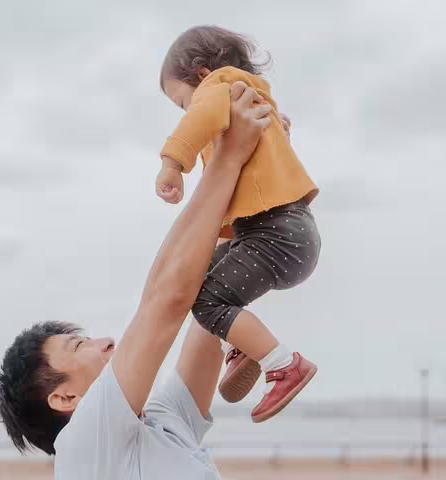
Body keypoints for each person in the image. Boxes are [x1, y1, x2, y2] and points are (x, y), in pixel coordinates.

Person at [0, 82, 281, 479]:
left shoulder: (160, 425)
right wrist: (229, 158)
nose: (106, 341)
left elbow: (207, 300)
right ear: (64, 397)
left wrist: (254, 162)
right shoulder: (83, 448)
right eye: (80, 345)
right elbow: (166, 301)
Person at [155, 25, 321, 422]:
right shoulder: (255, 99)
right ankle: (242, 344)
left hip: (275, 235)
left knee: (207, 302)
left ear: (200, 74)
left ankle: (282, 364)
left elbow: (200, 120)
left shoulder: (221, 87)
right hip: (286, 232)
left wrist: (172, 163)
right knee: (201, 273)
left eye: (183, 102)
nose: (188, 111)